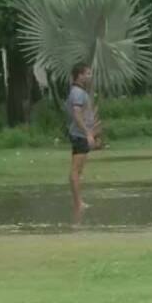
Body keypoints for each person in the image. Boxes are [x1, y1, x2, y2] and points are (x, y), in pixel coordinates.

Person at [65, 62, 99, 224]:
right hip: (79, 136)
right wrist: (87, 133)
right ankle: (78, 203)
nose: (90, 77)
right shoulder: (77, 93)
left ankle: (79, 201)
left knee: (79, 171)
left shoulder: (79, 92)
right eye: (88, 74)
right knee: (75, 170)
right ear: (80, 75)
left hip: (81, 135)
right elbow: (77, 114)